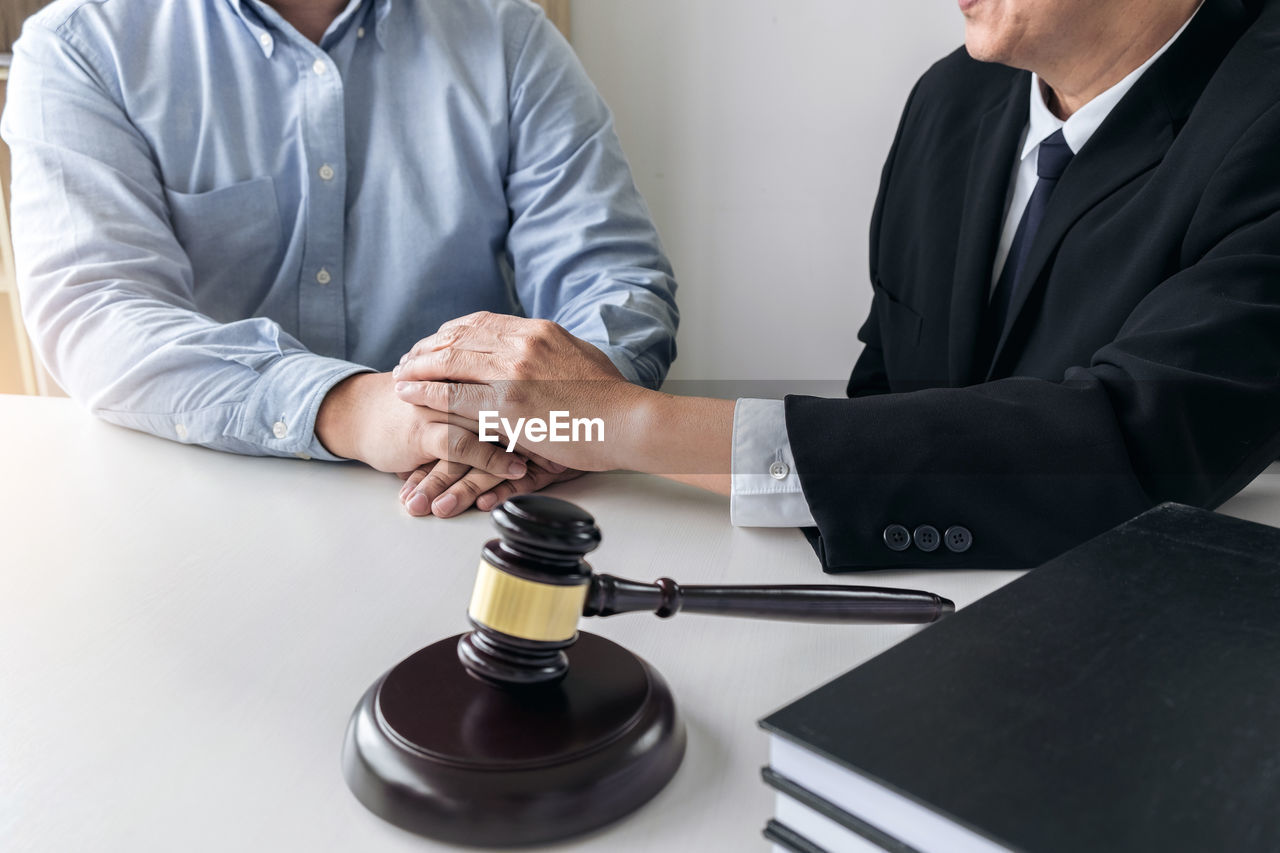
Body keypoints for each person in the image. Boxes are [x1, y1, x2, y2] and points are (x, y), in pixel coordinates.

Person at [390, 0, 1280, 569]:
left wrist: (626, 425)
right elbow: (887, 394)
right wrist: (580, 431)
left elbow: (1133, 445)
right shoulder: (957, 98)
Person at [1, 0, 678, 518]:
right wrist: (355, 409)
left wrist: (569, 420)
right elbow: (98, 315)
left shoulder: (507, 34)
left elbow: (612, 278)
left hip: (468, 506)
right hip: (196, 511)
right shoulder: (81, 47)